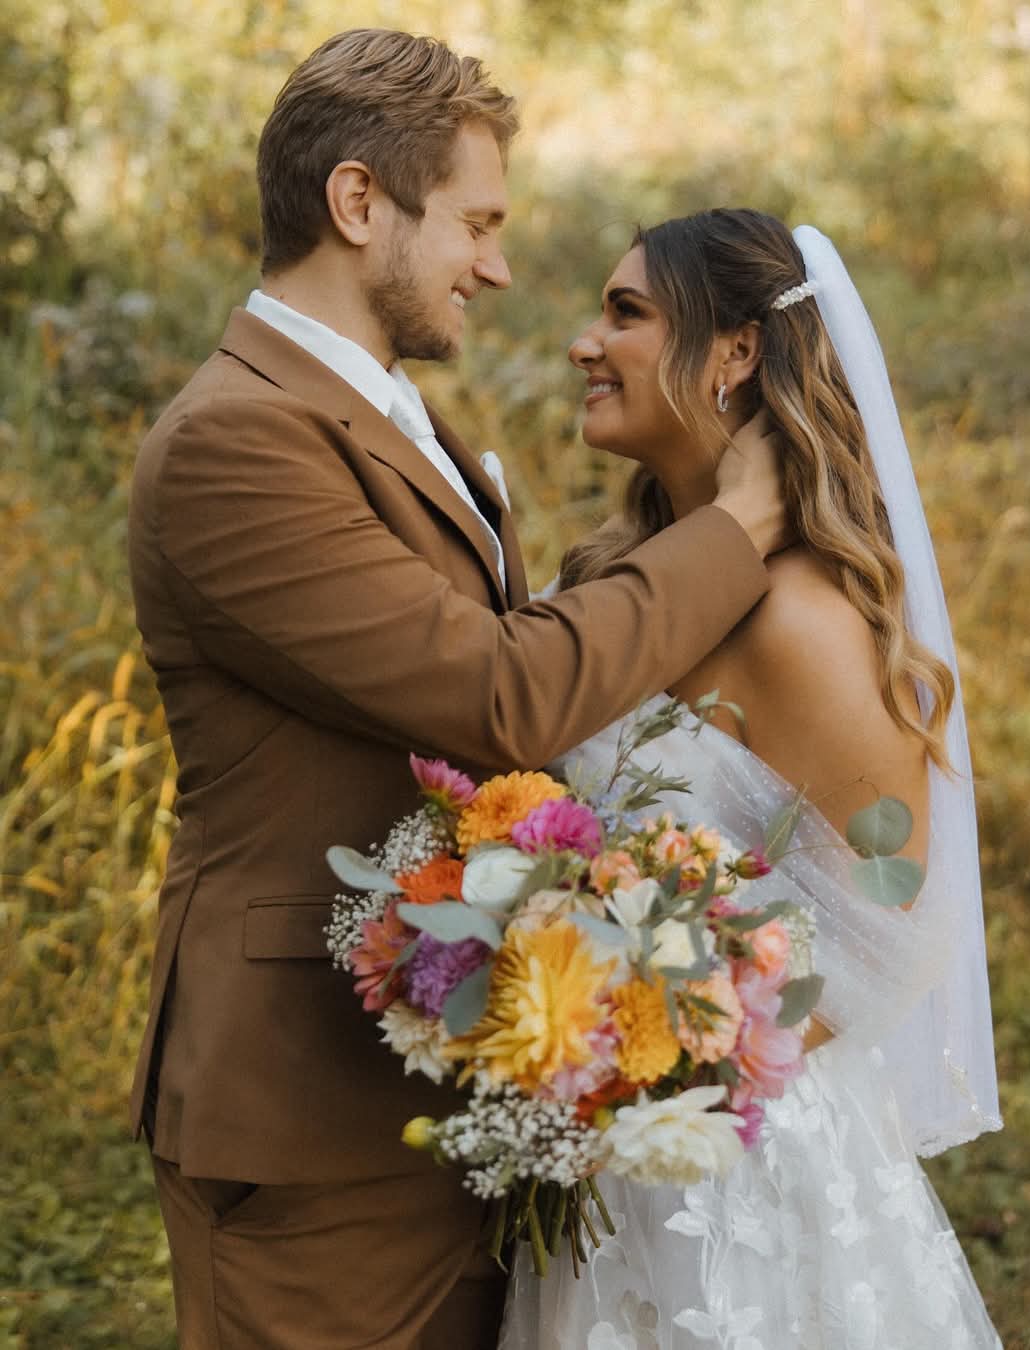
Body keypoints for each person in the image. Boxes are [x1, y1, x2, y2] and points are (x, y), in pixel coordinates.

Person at [126, 33, 787, 1350]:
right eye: (475, 224)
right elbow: (504, 694)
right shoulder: (235, 441)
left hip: (446, 1088)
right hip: (306, 1118)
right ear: (361, 203)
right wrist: (742, 522)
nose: (494, 265)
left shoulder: (372, 409)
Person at [498, 210, 1003, 1348]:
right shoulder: (619, 582)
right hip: (605, 1159)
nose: (585, 342)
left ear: (734, 354)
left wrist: (657, 1049)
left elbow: (891, 928)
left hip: (747, 1178)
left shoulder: (804, 622)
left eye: (626, 313)